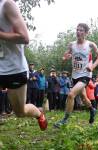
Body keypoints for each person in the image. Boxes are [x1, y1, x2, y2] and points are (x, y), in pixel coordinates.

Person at [0, 0, 47, 130]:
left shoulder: (7, 5)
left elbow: (24, 37)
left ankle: (39, 113)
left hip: (13, 69)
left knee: (20, 112)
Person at [54, 23, 98, 127]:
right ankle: (92, 110)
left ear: (86, 33)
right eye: (77, 30)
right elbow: (64, 57)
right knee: (84, 98)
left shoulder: (90, 45)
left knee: (71, 94)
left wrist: (92, 66)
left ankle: (65, 120)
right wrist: (64, 58)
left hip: (85, 75)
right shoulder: (71, 45)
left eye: (81, 30)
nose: (78, 32)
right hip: (75, 75)